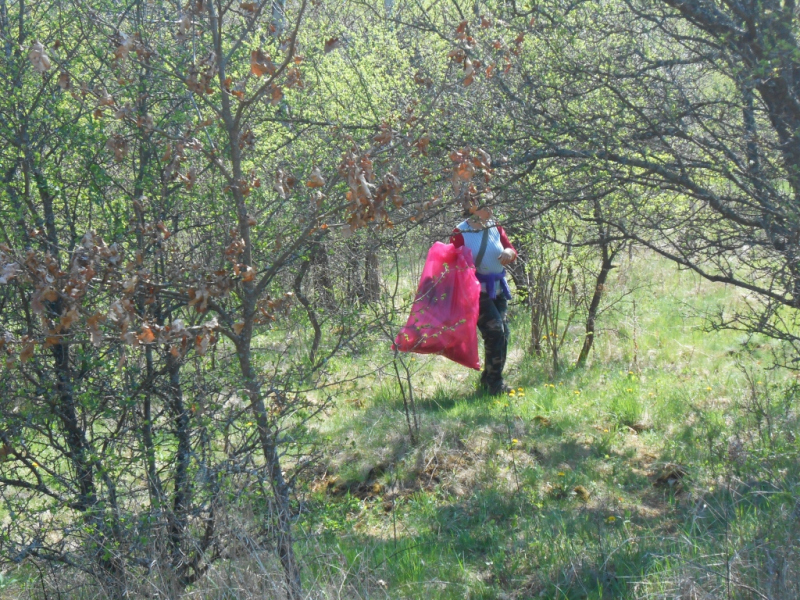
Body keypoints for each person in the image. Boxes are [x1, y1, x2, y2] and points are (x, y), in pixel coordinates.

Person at [450, 205, 517, 395]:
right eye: (487, 204)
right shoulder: (460, 232)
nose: (492, 208)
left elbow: (510, 248)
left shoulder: (495, 226)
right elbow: (453, 266)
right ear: (473, 208)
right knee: (495, 330)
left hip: (498, 289)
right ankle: (495, 384)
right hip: (475, 293)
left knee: (503, 333)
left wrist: (509, 254)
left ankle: (489, 378)